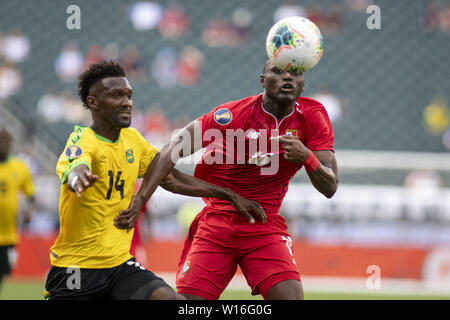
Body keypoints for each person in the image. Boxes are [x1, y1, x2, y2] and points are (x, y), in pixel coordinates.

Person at [116, 59, 339, 300]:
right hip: (218, 222)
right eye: (278, 72)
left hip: (264, 224)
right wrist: (141, 199)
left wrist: (307, 156)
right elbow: (170, 151)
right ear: (263, 81)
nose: (288, 78)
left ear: (303, 84)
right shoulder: (231, 115)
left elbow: (330, 187)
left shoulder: (314, 115)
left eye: (295, 74)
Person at [44, 60, 265, 300]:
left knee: (167, 298)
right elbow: (75, 167)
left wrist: (229, 194)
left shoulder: (133, 140)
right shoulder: (82, 140)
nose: (126, 102)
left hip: (119, 264)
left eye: (128, 95)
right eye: (116, 95)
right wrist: (79, 178)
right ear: (93, 102)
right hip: (76, 269)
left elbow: (169, 177)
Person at [0, 128, 36, 289]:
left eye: (6, 141)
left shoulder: (19, 167)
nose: (3, 144)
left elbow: (30, 195)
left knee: (3, 274)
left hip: (8, 236)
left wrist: (28, 211)